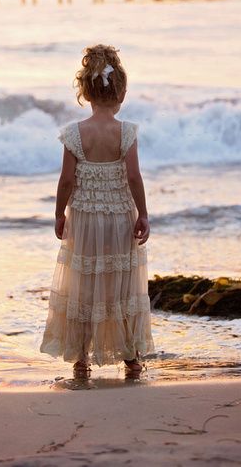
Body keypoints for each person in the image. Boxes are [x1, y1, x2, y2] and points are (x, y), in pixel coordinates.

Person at [39, 44, 154, 377]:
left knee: (84, 286)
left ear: (86, 91)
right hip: (119, 218)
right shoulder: (126, 132)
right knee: (120, 285)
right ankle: (131, 358)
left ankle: (81, 358)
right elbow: (133, 176)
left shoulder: (75, 133)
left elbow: (65, 181)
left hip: (85, 220)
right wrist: (143, 214)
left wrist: (59, 214)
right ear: (120, 90)